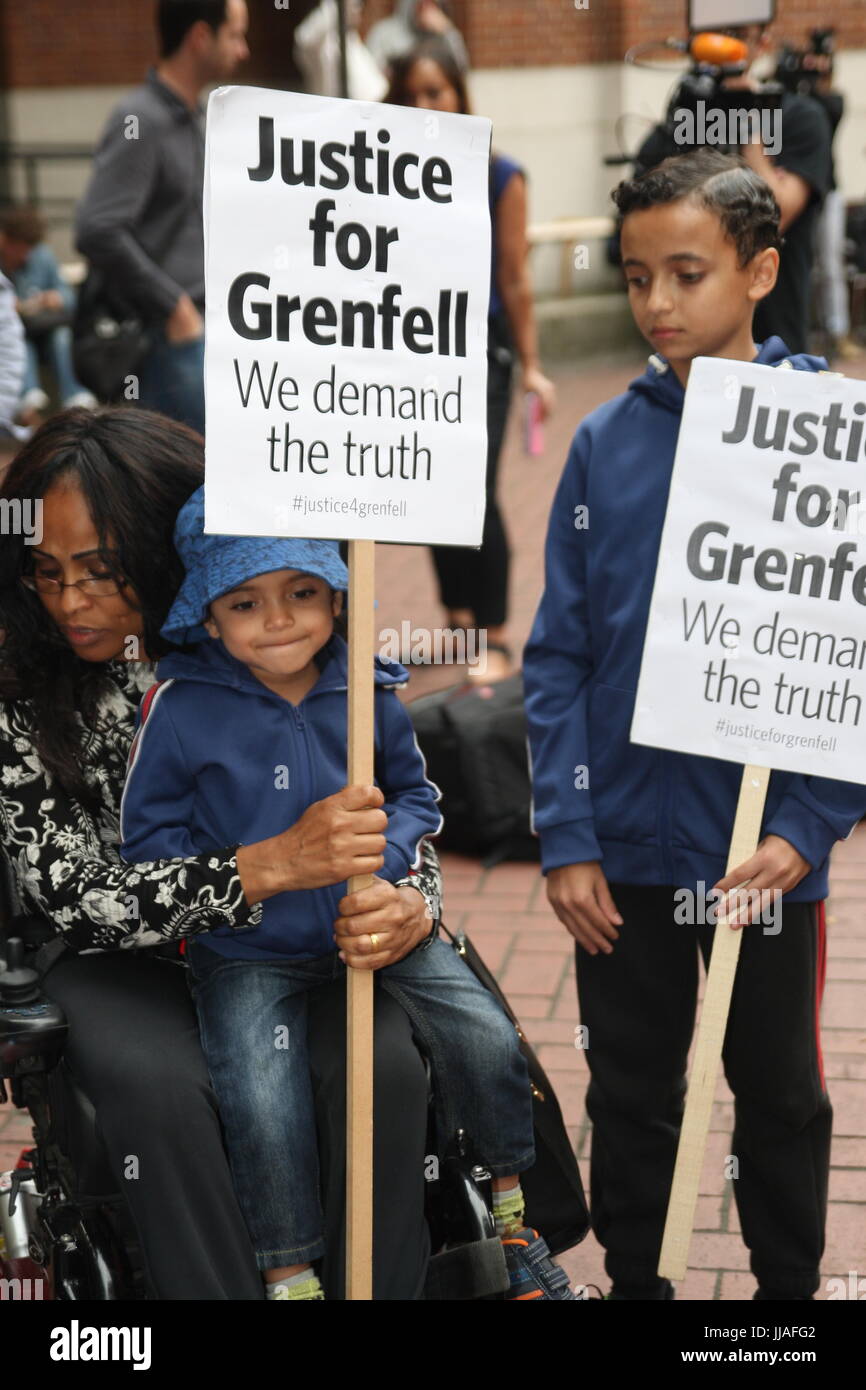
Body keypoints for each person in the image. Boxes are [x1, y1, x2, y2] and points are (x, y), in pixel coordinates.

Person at [0, 406, 444, 1299]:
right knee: (166, 1091)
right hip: (120, 959)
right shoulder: (18, 690)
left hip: (291, 943)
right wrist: (266, 865)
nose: (71, 600)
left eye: (101, 570)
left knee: (383, 1059)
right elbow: (72, 893)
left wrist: (413, 898)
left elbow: (391, 805)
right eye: (46, 573)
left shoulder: (268, 635)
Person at [523, 149, 866, 1302]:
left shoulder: (826, 436)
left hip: (761, 861)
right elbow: (557, 655)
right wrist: (565, 834)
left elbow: (851, 658)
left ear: (761, 269)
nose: (656, 304)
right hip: (620, 852)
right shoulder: (600, 444)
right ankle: (640, 1285)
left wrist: (810, 825)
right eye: (633, 278)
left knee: (776, 1092)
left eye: (684, 274)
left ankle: (782, 1301)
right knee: (627, 1086)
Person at [119, 488, 573, 1301]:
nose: (280, 619)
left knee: (483, 1032)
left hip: (375, 930)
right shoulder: (179, 712)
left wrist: (389, 863)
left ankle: (508, 1207)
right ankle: (290, 1273)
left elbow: (415, 800)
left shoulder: (366, 688)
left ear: (335, 597)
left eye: (302, 593)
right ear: (208, 616)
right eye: (245, 601)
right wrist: (252, 868)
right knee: (260, 1099)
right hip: (248, 953)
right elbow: (150, 849)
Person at [386, 38, 555, 681]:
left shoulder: (498, 174)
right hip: (415, 348)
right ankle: (459, 624)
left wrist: (534, 364)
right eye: (411, 95)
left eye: (437, 91)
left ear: (460, 93)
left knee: (474, 493)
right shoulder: (386, 172)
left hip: (481, 351)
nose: (425, 105)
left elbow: (514, 279)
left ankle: (498, 634)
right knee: (428, 487)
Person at [75, 0, 250, 434]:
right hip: (166, 342)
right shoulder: (141, 117)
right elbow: (97, 227)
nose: (243, 49)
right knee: (188, 484)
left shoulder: (196, 116)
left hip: (200, 332)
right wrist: (175, 306)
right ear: (199, 37)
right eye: (235, 34)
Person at [633, 23, 832, 355]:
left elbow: (775, 214)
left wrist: (746, 123)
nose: (723, 47)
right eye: (714, 35)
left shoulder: (799, 117)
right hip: (689, 349)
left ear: (763, 42)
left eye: (737, 36)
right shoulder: (684, 120)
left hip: (775, 339)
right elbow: (642, 217)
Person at [0, 205, 96, 426]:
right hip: (11, 334)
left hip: (43, 328)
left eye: (28, 248)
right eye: (20, 248)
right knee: (17, 338)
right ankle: (28, 400)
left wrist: (55, 298)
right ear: (6, 240)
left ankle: (75, 395)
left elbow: (69, 297)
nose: (24, 254)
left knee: (61, 335)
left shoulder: (41, 256)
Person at [294, 0, 387, 102]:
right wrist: (336, 6)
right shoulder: (325, 44)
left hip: (368, 112)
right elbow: (304, 39)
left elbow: (374, 90)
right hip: (331, 112)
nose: (358, 8)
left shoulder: (353, 41)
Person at [366, 0, 468, 78]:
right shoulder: (384, 33)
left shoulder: (442, 33)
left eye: (430, 3)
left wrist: (448, 33)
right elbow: (370, 75)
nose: (426, 9)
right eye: (421, 4)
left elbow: (461, 71)